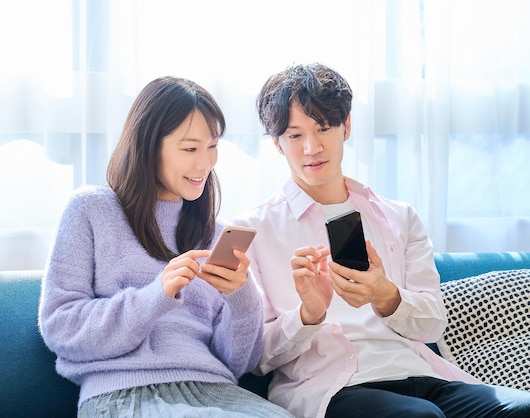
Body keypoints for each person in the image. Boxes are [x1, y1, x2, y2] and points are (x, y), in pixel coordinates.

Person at [231, 63, 530, 418]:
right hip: (332, 388)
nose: (312, 147)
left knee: (520, 409)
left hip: (419, 373)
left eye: (323, 128)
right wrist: (308, 314)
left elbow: (433, 323)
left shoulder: (399, 216)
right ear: (277, 144)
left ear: (347, 126)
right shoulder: (254, 230)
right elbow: (255, 360)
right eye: (295, 136)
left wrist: (384, 294)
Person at [38, 76, 294, 417]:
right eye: (190, 148)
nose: (204, 164)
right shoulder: (91, 210)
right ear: (148, 145)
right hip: (123, 392)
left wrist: (243, 298)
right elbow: (61, 326)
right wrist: (155, 295)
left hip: (215, 391)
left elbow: (237, 363)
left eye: (212, 146)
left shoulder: (215, 236)